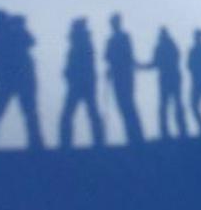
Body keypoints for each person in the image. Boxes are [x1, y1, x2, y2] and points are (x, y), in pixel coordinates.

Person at [0, 10, 44, 150]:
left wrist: (20, 27)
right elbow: (29, 42)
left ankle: (36, 144)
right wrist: (18, 28)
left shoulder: (9, 36)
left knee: (28, 112)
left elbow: (31, 41)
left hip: (19, 80)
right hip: (8, 81)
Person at [58, 18, 105, 148]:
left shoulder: (82, 43)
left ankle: (66, 143)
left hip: (80, 83)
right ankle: (98, 140)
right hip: (84, 82)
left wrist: (69, 73)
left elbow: (79, 64)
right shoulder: (82, 42)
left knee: (71, 113)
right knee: (91, 112)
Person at [104, 13, 144, 145]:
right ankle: (133, 135)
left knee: (127, 105)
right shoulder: (115, 39)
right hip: (121, 76)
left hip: (124, 76)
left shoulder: (121, 38)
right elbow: (108, 57)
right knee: (124, 105)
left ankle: (136, 136)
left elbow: (125, 56)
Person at [143, 27, 187, 139]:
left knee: (166, 105)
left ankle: (167, 131)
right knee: (175, 103)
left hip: (167, 78)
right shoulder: (171, 45)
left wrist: (140, 66)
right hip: (173, 77)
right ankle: (181, 130)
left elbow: (154, 63)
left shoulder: (162, 47)